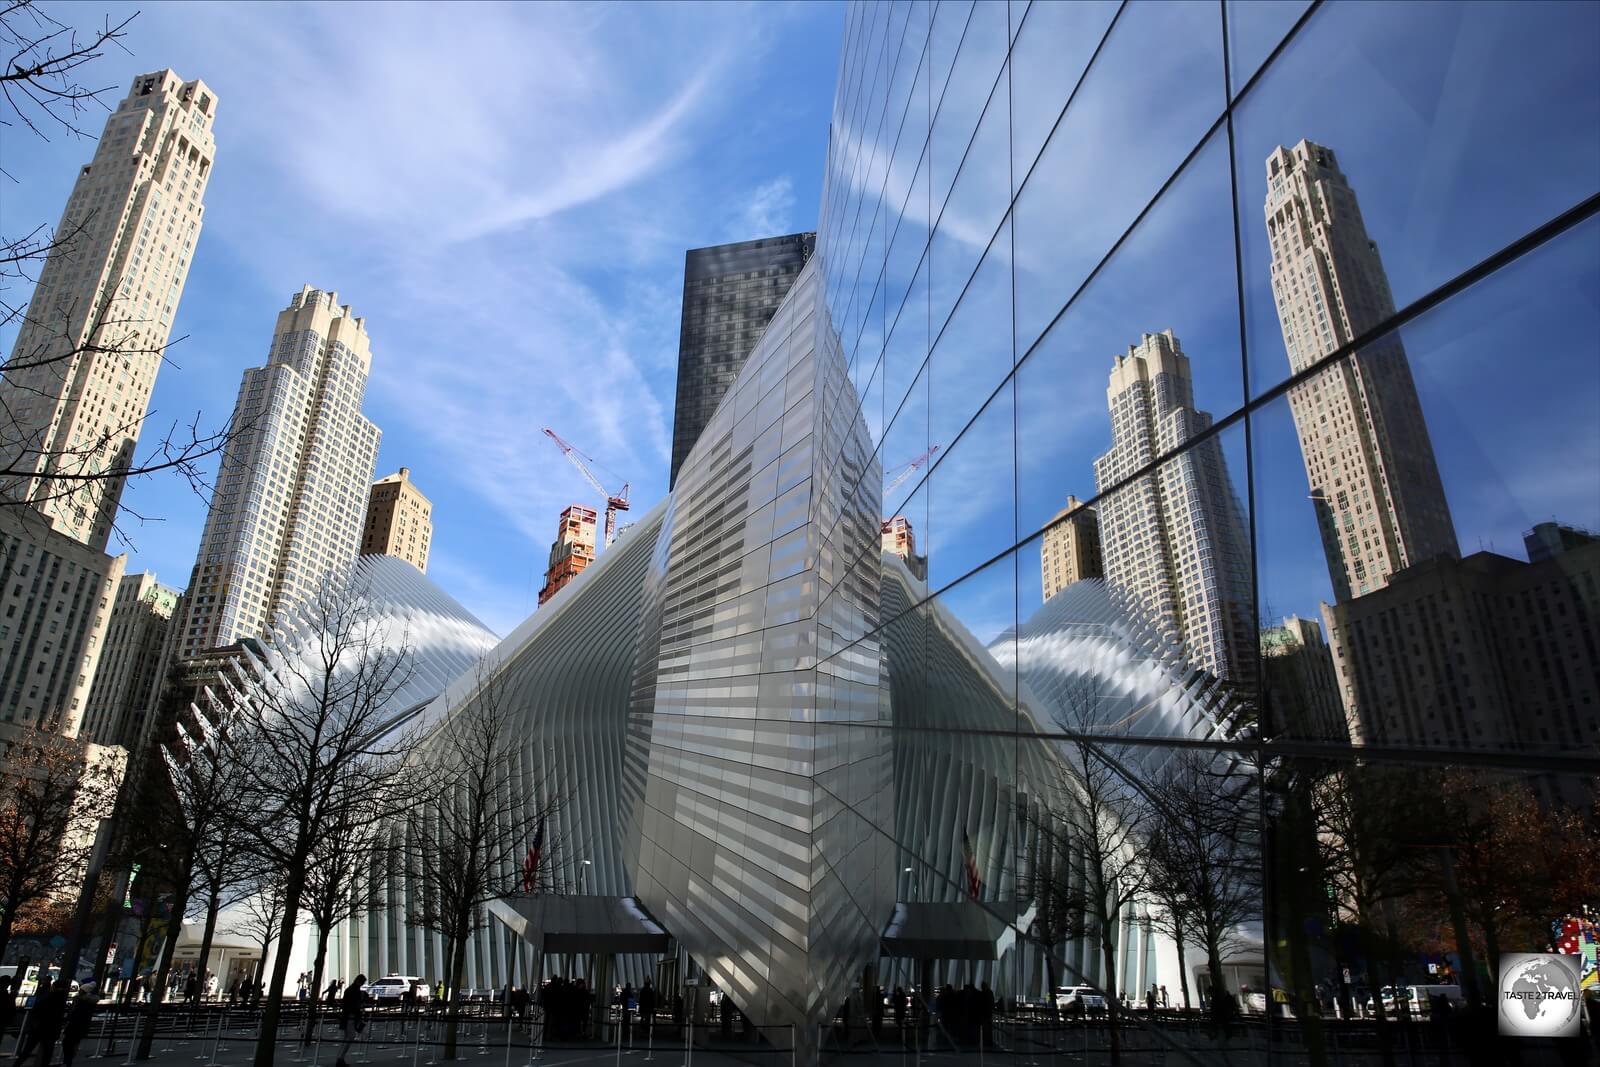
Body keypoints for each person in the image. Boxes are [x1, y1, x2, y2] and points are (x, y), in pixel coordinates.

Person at [14, 977, 67, 1067]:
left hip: (39, 1027)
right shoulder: (61, 999)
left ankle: (16, 1065)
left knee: (28, 1049)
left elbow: (37, 1009)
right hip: (51, 1028)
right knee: (47, 1052)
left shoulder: (48, 997)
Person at [60, 982, 98, 1067]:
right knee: (71, 1043)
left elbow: (75, 1012)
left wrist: (68, 1017)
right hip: (79, 1025)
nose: (79, 991)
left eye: (81, 990)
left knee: (68, 1042)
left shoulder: (81, 1001)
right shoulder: (87, 1001)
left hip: (75, 1024)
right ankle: (68, 1060)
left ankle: (67, 1060)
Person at [335, 974, 369, 1067]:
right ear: (359, 981)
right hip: (351, 1016)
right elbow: (355, 1005)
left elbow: (346, 1003)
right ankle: (340, 1058)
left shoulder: (349, 990)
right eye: (362, 982)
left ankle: (340, 1058)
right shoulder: (355, 991)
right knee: (350, 1037)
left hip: (347, 1015)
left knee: (347, 1037)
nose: (362, 984)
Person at [637, 980, 657, 1046]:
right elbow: (652, 1000)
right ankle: (647, 1030)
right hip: (648, 1008)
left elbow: (640, 999)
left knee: (642, 1018)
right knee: (648, 1019)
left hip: (643, 1008)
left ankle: (641, 1029)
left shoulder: (642, 990)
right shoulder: (650, 991)